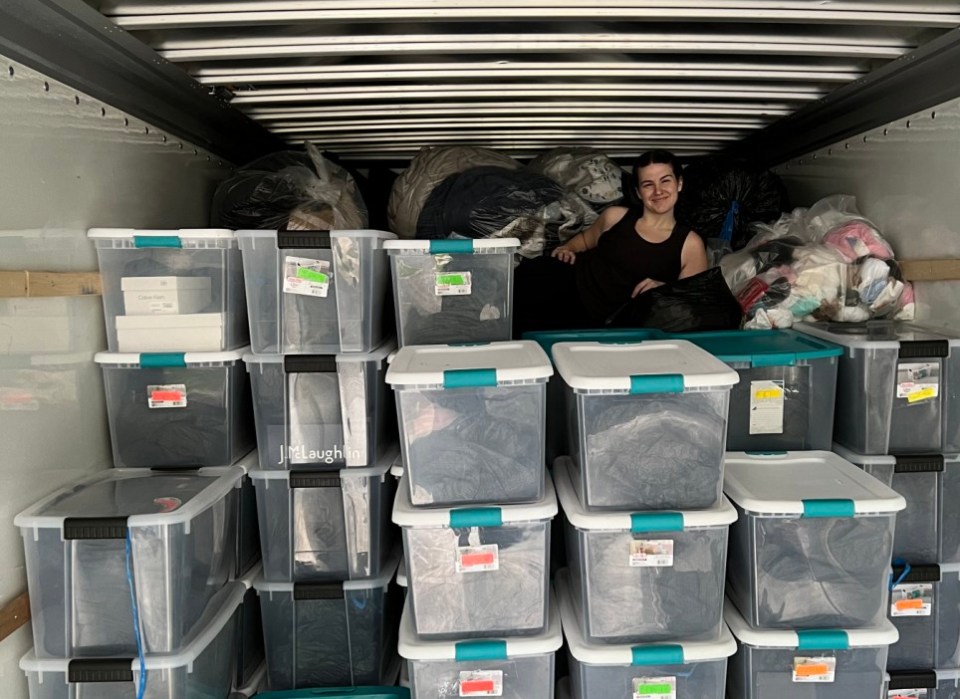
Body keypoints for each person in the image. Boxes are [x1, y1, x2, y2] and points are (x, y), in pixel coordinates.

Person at [513, 149, 708, 334]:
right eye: (648, 184)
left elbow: (693, 304)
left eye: (665, 181)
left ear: (679, 183)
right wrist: (568, 247)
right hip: (562, 285)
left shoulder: (690, 244)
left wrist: (665, 289)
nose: (658, 191)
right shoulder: (616, 216)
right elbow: (584, 240)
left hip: (600, 322)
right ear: (639, 192)